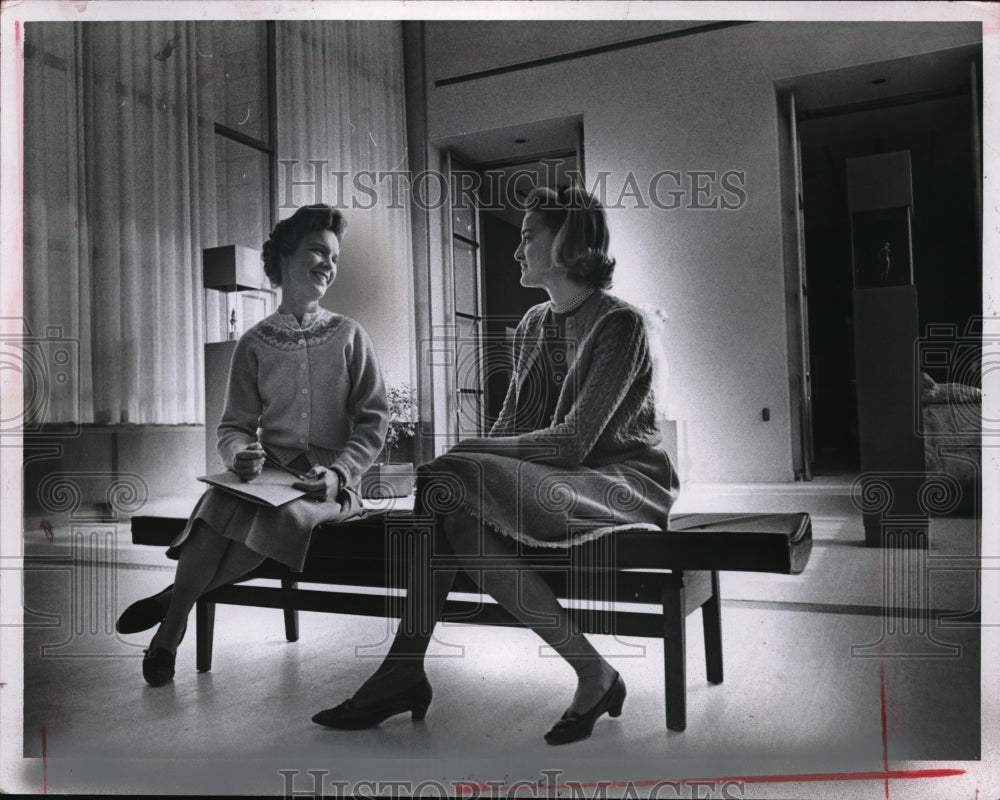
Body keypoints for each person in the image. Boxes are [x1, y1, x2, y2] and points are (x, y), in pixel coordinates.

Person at [312, 185, 679, 744]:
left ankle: (405, 670)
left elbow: (574, 443)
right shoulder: (533, 322)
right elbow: (509, 428)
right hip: (561, 476)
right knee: (446, 495)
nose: (517, 249)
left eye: (529, 236)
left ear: (568, 240)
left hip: (620, 480)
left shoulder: (619, 325)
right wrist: (466, 460)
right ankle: (585, 671)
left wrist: (463, 456)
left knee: (447, 476)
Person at [116, 204, 389, 687]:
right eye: (317, 251)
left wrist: (339, 473)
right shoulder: (254, 342)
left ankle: (170, 612)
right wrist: (239, 455)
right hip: (271, 474)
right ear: (285, 254)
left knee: (283, 515)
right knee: (215, 502)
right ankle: (173, 623)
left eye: (335, 256)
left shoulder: (351, 335)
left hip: (330, 484)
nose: (328, 263)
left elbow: (373, 422)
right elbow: (234, 426)